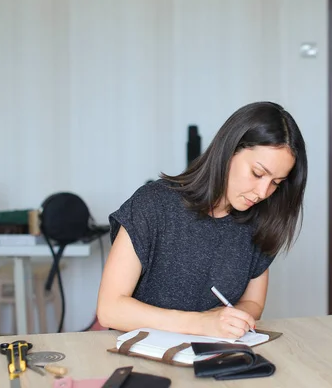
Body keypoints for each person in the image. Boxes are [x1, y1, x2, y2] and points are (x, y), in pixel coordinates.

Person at [96, 101, 307, 339]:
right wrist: (201, 323)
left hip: (213, 357)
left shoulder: (260, 221)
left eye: (276, 183)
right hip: (142, 357)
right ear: (229, 151)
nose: (262, 192)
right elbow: (109, 309)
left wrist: (231, 319)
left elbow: (252, 302)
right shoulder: (153, 204)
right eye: (257, 174)